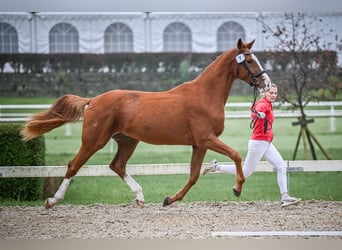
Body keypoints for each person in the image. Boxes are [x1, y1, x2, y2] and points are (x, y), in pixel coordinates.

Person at [203, 83, 301, 207]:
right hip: (259, 143)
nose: (274, 95)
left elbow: (253, 108)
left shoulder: (268, 104)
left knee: (281, 166)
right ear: (264, 93)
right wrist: (259, 114)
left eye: (275, 93)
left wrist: (258, 113)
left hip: (266, 143)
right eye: (271, 93)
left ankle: (285, 197)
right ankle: (216, 167)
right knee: (246, 172)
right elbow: (256, 111)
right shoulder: (264, 104)